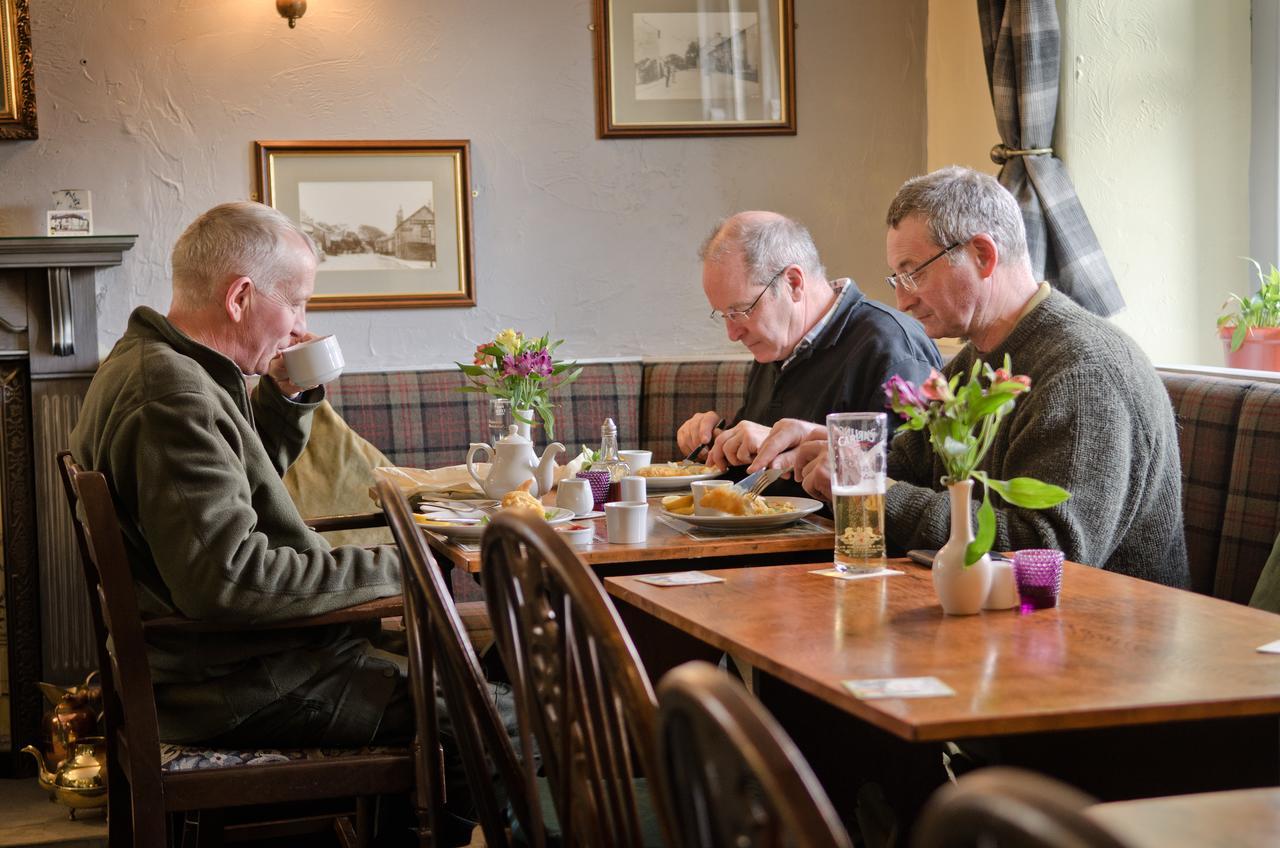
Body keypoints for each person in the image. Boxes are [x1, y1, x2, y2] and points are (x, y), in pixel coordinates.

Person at [70, 201, 480, 844]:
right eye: (297, 304)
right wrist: (414, 561)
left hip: (224, 662)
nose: (300, 326)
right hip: (237, 684)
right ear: (240, 297)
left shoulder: (165, 365)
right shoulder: (170, 395)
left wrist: (286, 400)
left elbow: (235, 478)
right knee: (495, 716)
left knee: (482, 661)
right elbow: (230, 579)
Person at [780, 166, 1188, 587]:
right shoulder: (976, 360)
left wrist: (873, 493)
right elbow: (909, 466)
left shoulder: (1084, 372)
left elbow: (1047, 554)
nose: (902, 300)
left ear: (982, 255)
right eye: (896, 277)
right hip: (997, 612)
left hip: (1103, 632)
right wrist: (835, 453)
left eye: (913, 272)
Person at [675, 211, 939, 496]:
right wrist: (716, 445)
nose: (732, 333)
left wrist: (792, 446)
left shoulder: (891, 346)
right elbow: (757, 480)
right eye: (724, 315)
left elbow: (914, 483)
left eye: (741, 311)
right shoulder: (776, 346)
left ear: (793, 283)